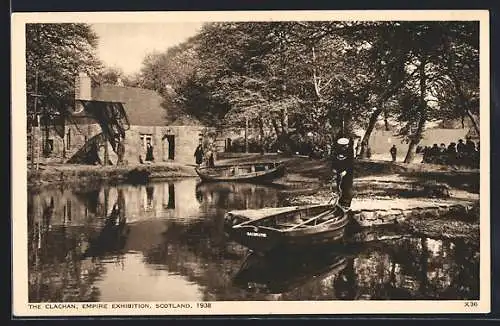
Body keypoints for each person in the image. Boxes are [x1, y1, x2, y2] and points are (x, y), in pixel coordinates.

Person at [330, 136, 355, 209]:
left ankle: (346, 204)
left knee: (347, 188)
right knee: (339, 187)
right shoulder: (336, 152)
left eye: (346, 146)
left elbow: (351, 164)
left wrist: (345, 171)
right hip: (339, 173)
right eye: (343, 146)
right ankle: (340, 203)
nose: (345, 147)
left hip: (348, 174)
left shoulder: (350, 152)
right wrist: (333, 168)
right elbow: (334, 161)